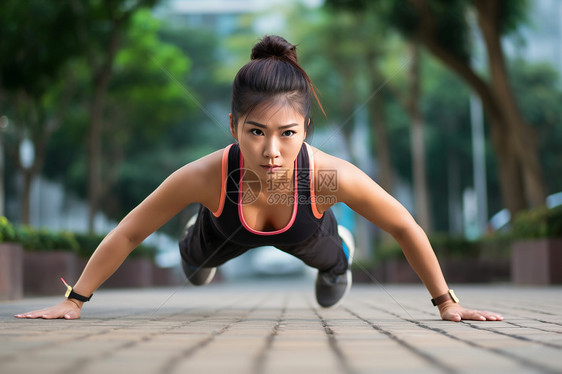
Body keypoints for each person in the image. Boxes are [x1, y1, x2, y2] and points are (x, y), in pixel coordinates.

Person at [15, 35, 503, 322]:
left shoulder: (325, 176)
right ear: (233, 127)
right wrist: (75, 301)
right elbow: (130, 230)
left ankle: (343, 252)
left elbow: (403, 226)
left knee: (333, 272)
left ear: (305, 129)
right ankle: (195, 236)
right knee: (194, 267)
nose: (272, 151)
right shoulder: (208, 175)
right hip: (223, 228)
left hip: (306, 230)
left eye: (287, 133)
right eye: (255, 132)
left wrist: (445, 303)